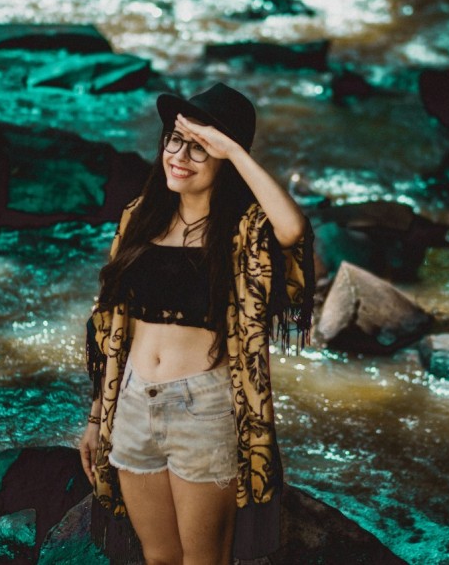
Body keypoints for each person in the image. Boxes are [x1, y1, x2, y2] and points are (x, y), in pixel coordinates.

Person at [79, 82, 315, 564]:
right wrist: (95, 418)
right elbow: (111, 328)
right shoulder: (139, 219)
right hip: (131, 403)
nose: (179, 155)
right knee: (159, 557)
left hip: (203, 408)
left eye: (199, 147)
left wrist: (230, 147)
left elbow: (293, 229)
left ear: (225, 157)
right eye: (174, 140)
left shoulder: (244, 232)